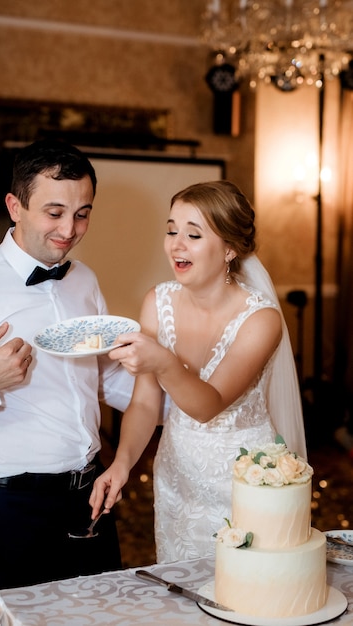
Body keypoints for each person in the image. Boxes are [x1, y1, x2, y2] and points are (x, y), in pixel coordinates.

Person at [0, 138, 135, 610]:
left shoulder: (85, 280)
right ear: (15, 206)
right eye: (54, 212)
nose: (70, 229)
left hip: (90, 496)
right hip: (7, 509)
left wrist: (180, 394)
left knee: (107, 620)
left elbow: (104, 380)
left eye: (82, 213)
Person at [90, 180, 307, 564]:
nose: (176, 244)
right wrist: (121, 463)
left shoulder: (261, 319)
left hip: (245, 480)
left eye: (193, 234)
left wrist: (161, 360)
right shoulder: (157, 301)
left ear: (229, 248)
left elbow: (209, 404)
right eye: (171, 230)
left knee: (247, 588)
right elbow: (144, 402)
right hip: (178, 475)